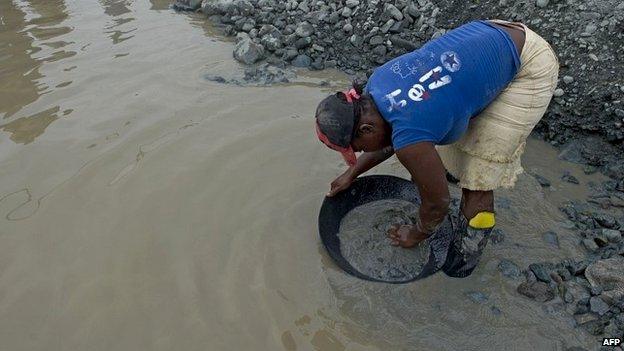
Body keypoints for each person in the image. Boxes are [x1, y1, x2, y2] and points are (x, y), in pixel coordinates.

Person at [314, 19, 559, 278]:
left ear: (364, 130)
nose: (361, 153)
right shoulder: (376, 87)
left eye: (358, 148)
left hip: (528, 64)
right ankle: (446, 174)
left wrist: (416, 233)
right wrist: (353, 173)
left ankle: (464, 260)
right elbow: (392, 135)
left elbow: (438, 203)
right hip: (487, 37)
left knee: (477, 178)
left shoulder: (409, 134)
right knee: (438, 142)